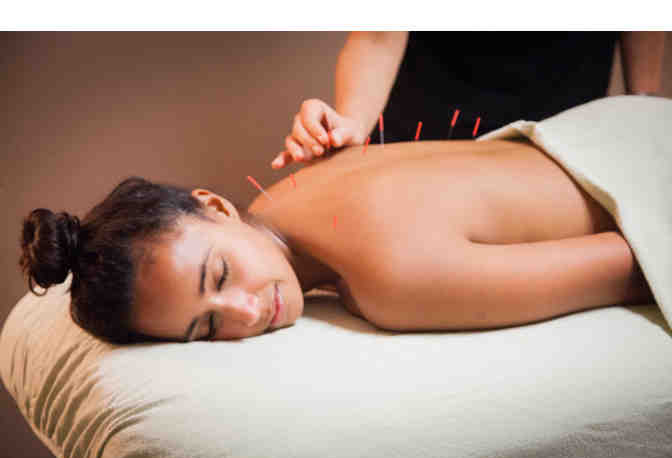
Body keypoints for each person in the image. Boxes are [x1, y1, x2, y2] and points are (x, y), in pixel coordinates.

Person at [20, 137, 654, 343]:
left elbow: (641, 259)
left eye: (219, 276)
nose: (246, 313)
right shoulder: (293, 189)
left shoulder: (392, 283)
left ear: (215, 206)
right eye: (207, 329)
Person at [271, 31, 665, 169]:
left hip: (561, 142)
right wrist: (351, 124)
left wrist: (643, 111)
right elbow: (377, 36)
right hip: (423, 138)